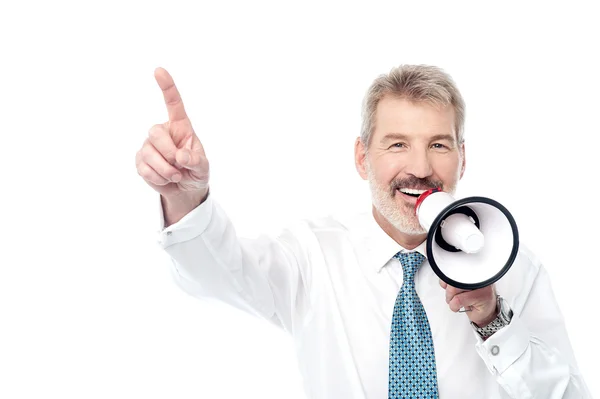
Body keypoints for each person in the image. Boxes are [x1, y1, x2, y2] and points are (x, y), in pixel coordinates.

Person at [135, 64, 592, 398]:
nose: (420, 168)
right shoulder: (313, 255)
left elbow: (567, 395)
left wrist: (493, 320)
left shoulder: (512, 265)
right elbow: (217, 276)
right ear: (362, 158)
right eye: (397, 145)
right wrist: (184, 195)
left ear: (463, 158)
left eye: (438, 144)